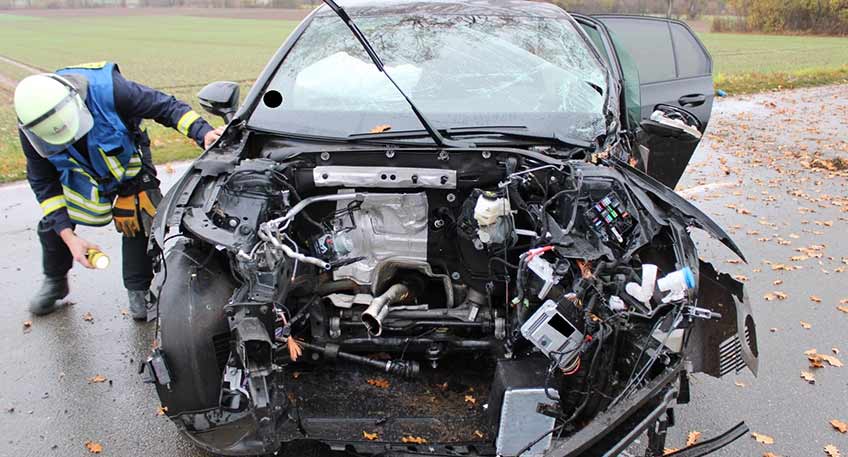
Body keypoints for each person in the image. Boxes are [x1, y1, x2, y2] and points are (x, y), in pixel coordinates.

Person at [14, 61, 223, 320]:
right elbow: (44, 184)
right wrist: (70, 238)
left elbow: (166, 106)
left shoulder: (111, 90)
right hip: (79, 170)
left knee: (140, 212)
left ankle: (139, 289)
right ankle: (55, 280)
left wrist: (202, 132)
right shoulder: (33, 127)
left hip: (126, 159)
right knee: (54, 221)